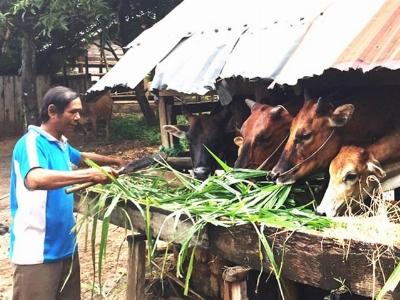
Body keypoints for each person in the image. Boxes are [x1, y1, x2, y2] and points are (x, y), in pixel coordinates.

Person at [9, 86, 126, 300]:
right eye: (73, 112)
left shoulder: (60, 143)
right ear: (53, 112)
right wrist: (90, 175)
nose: (78, 118)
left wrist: (115, 161)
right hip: (37, 253)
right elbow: (35, 178)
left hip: (65, 247)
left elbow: (80, 156)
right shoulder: (32, 143)